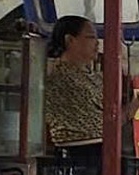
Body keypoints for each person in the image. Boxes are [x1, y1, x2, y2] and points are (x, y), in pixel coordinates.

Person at [43, 16, 104, 157]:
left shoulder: (93, 76)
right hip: (77, 153)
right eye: (90, 37)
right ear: (69, 40)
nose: (97, 43)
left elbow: (114, 118)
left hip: (103, 150)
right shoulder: (58, 76)